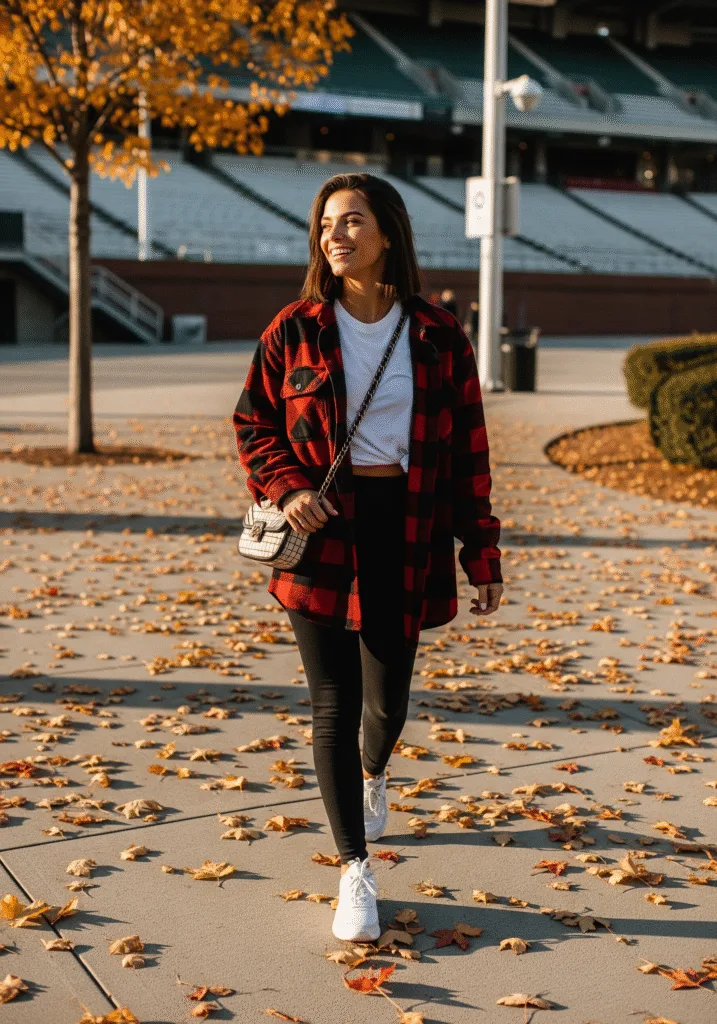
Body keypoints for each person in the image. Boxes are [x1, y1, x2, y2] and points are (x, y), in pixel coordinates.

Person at [233, 173, 503, 944]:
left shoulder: (437, 334)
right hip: (321, 532)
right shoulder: (294, 329)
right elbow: (254, 423)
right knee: (332, 703)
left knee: (386, 701)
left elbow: (469, 452)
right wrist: (287, 488)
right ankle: (355, 869)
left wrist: (480, 549)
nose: (336, 235)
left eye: (351, 221)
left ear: (387, 232)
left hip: (405, 526)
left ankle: (374, 772)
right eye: (326, 224)